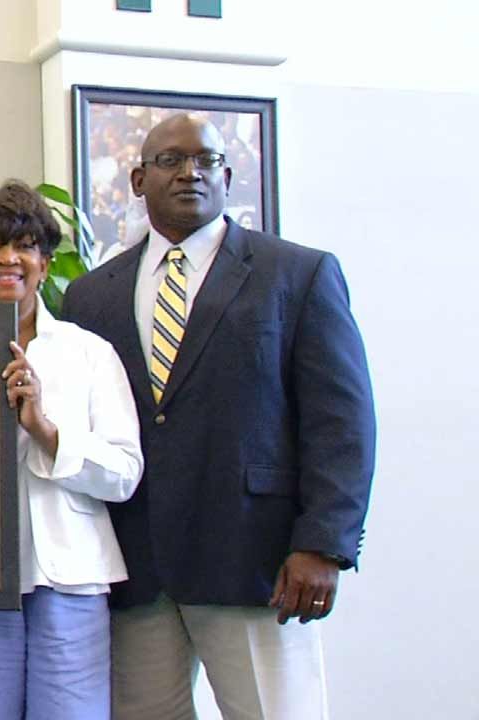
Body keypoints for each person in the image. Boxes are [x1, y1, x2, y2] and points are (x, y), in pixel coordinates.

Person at [61, 114, 376, 718]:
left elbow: (342, 423)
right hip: (138, 569)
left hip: (258, 564)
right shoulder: (91, 295)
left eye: (207, 162)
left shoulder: (298, 274)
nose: (190, 173)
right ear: (136, 179)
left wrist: (323, 545)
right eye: (171, 161)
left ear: (228, 176)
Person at [0, 180, 144, 719]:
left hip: (71, 580)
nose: (8, 258)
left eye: (25, 245)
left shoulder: (90, 354)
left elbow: (125, 473)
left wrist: (44, 429)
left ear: (45, 261)